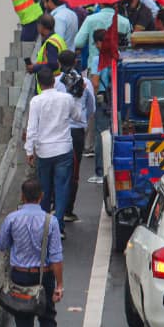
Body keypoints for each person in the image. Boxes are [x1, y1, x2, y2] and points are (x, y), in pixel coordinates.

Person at [0, 178, 64, 327]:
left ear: (22, 196)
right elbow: (56, 257)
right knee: (48, 316)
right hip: (44, 275)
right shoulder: (51, 222)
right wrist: (59, 285)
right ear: (41, 197)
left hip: (19, 275)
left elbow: (1, 245)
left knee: (23, 317)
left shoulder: (12, 219)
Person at [25, 68, 82, 236]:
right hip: (63, 149)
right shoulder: (66, 99)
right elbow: (78, 117)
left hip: (44, 151)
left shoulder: (36, 101)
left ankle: (45, 226)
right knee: (62, 188)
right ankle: (58, 226)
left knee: (44, 188)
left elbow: (32, 128)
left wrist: (29, 150)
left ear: (39, 84)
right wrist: (77, 98)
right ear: (54, 81)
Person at [55, 51, 95, 223]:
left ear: (58, 63)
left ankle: (56, 206)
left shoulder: (55, 83)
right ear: (76, 62)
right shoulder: (85, 83)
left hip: (58, 131)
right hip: (76, 132)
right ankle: (67, 210)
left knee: (57, 170)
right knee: (74, 172)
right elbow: (91, 106)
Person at [88, 30, 112, 184]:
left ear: (98, 43)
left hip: (103, 99)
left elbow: (95, 82)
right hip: (114, 99)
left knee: (101, 135)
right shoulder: (115, 57)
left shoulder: (98, 59)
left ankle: (100, 172)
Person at [26, 15, 67, 83]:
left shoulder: (50, 42)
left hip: (51, 84)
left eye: (38, 26)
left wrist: (34, 68)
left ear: (41, 26)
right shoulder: (58, 38)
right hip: (58, 82)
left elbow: (53, 65)